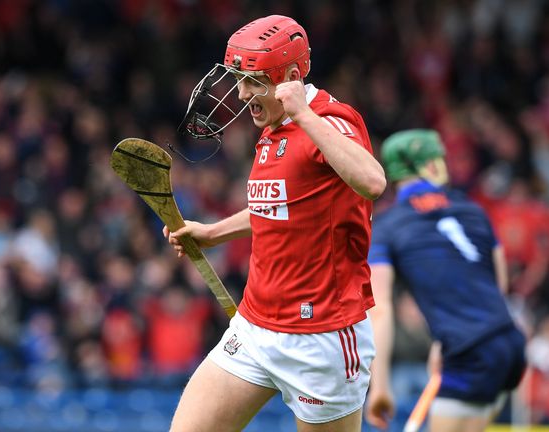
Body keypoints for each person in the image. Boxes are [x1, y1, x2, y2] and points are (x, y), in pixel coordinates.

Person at [164, 15, 386, 432]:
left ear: (290, 77)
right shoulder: (273, 127)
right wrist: (212, 233)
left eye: (253, 82)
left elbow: (373, 181)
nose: (242, 94)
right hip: (254, 327)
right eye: (237, 80)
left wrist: (304, 114)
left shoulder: (331, 120)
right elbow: (282, 206)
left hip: (322, 338)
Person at [364, 129, 527, 432]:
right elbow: (498, 285)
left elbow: (380, 309)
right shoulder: (473, 210)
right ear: (431, 166)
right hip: (510, 343)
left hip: (470, 351)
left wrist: (380, 386)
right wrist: (444, 341)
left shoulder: (388, 226)